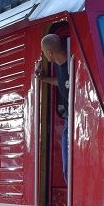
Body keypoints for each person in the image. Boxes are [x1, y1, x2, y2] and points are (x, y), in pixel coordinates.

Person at [34, 33, 70, 182]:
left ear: (49, 53)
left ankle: (69, 182)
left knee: (68, 156)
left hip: (74, 119)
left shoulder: (72, 64)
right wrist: (44, 79)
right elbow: (62, 82)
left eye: (43, 52)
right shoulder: (60, 65)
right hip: (70, 117)